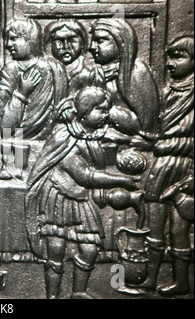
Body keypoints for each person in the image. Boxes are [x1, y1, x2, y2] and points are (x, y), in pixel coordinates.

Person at [25, 86, 139, 299]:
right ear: (85, 111)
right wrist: (123, 180)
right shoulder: (65, 137)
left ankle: (78, 292)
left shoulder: (92, 133)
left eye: (107, 110)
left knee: (89, 248)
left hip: (80, 198)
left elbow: (122, 132)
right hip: (59, 197)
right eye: (101, 110)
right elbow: (85, 176)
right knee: (56, 248)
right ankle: (52, 295)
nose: (105, 115)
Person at [131, 35, 194, 297]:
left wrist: (164, 146)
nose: (170, 63)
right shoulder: (167, 92)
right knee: (153, 230)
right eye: (169, 56)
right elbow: (160, 133)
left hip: (184, 170)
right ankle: (150, 280)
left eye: (179, 56)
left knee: (179, 231)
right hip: (160, 168)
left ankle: (181, 282)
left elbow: (183, 140)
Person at [0, 19, 68, 140]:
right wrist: (21, 93)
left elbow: (62, 113)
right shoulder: (10, 70)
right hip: (17, 143)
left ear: (30, 39)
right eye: (7, 39)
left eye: (13, 39)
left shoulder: (56, 69)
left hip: (51, 139)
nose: (7, 44)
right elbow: (4, 128)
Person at [89, 18, 160, 141]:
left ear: (121, 42)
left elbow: (147, 126)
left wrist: (105, 112)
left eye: (100, 41)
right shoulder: (96, 72)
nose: (91, 47)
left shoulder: (136, 71)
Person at [44, 19, 102, 95]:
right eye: (59, 41)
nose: (66, 46)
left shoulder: (92, 72)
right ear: (49, 45)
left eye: (72, 40)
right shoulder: (45, 71)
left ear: (82, 43)